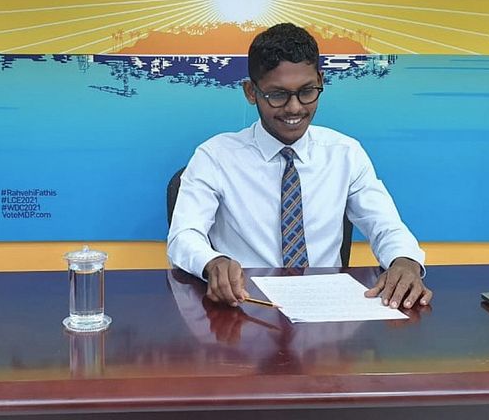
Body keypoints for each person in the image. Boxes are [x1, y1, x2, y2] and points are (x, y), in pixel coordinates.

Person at [167, 23, 432, 310]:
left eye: (307, 91)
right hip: (246, 309)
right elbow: (184, 236)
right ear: (251, 92)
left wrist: (405, 260)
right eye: (277, 95)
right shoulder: (215, 157)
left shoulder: (345, 154)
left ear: (320, 80)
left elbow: (386, 226)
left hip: (328, 312)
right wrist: (212, 262)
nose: (294, 107)